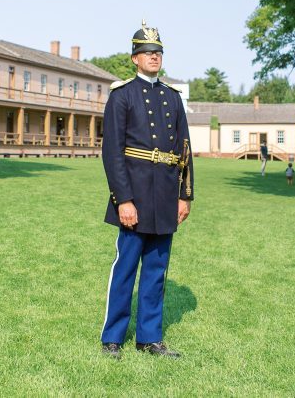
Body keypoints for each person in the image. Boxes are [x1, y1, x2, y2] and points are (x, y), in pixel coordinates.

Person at [100, 22, 193, 359]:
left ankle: (149, 338)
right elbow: (112, 153)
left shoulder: (172, 98)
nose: (153, 56)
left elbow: (184, 148)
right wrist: (122, 199)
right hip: (134, 197)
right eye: (146, 52)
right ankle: (112, 337)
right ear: (134, 58)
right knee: (125, 268)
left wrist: (185, 195)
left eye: (157, 52)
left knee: (156, 270)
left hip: (166, 197)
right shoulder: (121, 95)